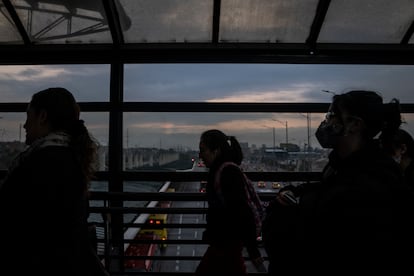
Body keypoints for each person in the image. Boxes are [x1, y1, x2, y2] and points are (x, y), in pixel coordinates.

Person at [263, 90, 413, 274]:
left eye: (332, 116)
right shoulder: (342, 166)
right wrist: (294, 192)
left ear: (354, 124)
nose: (326, 123)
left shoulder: (370, 184)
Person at [0, 87, 109, 276]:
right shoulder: (72, 159)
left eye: (28, 116)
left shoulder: (37, 163)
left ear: (42, 116)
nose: (25, 125)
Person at [195, 129, 265, 275]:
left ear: (216, 151)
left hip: (226, 244)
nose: (200, 155)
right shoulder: (223, 170)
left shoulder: (227, 173)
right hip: (226, 243)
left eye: (203, 150)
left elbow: (241, 211)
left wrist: (253, 249)